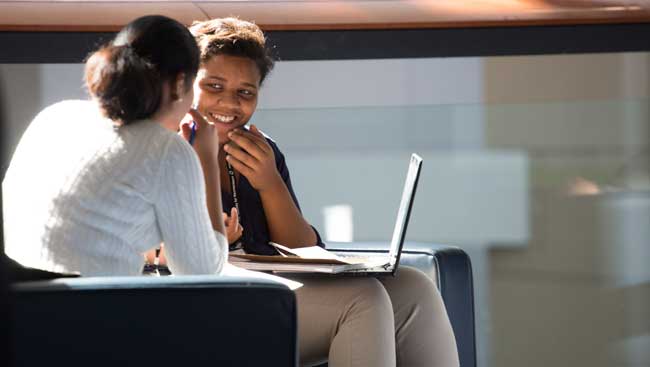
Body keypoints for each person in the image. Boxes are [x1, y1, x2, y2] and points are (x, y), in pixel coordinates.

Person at [186, 17, 460, 367]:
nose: (229, 103)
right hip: (210, 305)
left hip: (270, 290)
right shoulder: (170, 149)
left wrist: (270, 182)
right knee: (363, 298)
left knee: (413, 287)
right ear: (183, 83)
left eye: (245, 93)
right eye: (213, 85)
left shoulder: (262, 149)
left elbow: (303, 251)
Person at [2, 15, 228, 276]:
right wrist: (207, 161)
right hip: (93, 308)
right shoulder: (166, 150)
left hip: (17, 305)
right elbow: (202, 273)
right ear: (180, 85)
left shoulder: (53, 116)